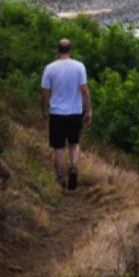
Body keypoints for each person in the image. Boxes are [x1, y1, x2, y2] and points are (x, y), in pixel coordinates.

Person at [41, 38, 92, 190]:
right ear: (70, 51)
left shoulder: (49, 68)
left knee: (58, 147)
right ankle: (74, 166)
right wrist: (88, 110)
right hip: (75, 112)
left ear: (57, 51)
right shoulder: (79, 66)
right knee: (74, 143)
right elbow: (84, 90)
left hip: (56, 113)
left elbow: (44, 94)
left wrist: (43, 111)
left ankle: (61, 178)